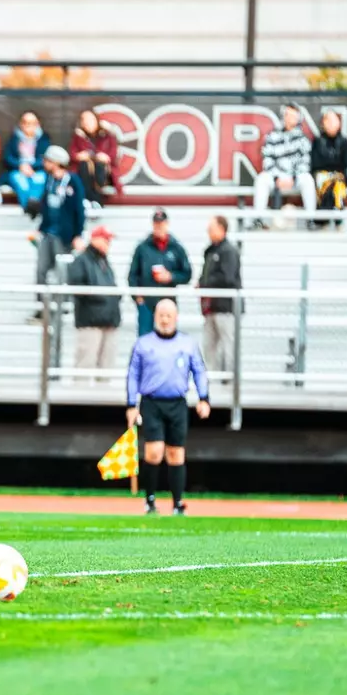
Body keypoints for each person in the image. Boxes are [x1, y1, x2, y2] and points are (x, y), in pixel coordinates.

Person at [125, 298, 210, 515]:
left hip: (177, 403)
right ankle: (150, 500)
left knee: (176, 453)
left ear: (176, 317)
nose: (165, 320)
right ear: (155, 317)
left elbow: (199, 370)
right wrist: (131, 404)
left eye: (169, 316)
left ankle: (177, 502)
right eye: (161, 315)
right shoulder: (143, 344)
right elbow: (133, 375)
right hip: (152, 402)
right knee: (154, 451)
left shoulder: (187, 343)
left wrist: (204, 398)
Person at [66, 223, 122, 371]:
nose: (108, 243)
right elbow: (77, 287)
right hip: (90, 321)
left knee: (106, 366)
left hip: (108, 320)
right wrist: (101, 298)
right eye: (105, 239)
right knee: (85, 363)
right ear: (95, 239)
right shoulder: (81, 260)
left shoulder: (103, 261)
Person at [128, 208, 192, 336]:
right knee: (145, 339)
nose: (159, 227)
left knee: (167, 339)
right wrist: (137, 297)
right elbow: (132, 275)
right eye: (156, 224)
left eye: (161, 223)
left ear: (167, 224)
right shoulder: (142, 247)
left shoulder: (176, 248)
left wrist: (171, 277)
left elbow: (187, 274)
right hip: (147, 302)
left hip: (168, 303)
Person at [29, 146, 84, 291]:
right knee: (41, 269)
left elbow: (79, 210)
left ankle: (62, 301)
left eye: (47, 160)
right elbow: (46, 208)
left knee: (62, 272)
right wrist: (40, 229)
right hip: (48, 233)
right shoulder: (49, 180)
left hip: (64, 235)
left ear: (56, 162)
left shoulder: (72, 181)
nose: (44, 163)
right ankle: (41, 302)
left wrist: (78, 234)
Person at [252, 103, 315, 222]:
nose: (290, 118)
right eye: (287, 115)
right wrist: (277, 178)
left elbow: (305, 162)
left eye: (293, 116)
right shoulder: (272, 136)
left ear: (298, 118)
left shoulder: (303, 139)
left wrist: (293, 178)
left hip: (296, 177)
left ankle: (310, 219)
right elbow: (267, 159)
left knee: (308, 180)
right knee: (261, 179)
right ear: (283, 116)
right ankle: (258, 220)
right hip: (276, 176)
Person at [199, 215, 242, 373]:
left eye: (212, 228)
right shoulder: (211, 251)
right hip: (211, 306)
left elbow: (227, 278)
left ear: (222, 229)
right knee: (208, 345)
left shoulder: (228, 251)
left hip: (226, 307)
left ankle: (230, 379)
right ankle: (209, 378)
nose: (208, 231)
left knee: (228, 345)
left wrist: (205, 283)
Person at [69, 108, 121, 201]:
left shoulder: (107, 135)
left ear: (96, 120)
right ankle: (94, 201)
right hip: (84, 172)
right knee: (84, 165)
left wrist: (106, 157)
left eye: (90, 119)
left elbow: (113, 153)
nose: (86, 122)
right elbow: (72, 153)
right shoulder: (78, 136)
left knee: (99, 166)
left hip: (103, 173)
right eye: (83, 119)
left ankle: (91, 200)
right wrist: (79, 156)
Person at [5, 110, 50, 213]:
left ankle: (32, 209)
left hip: (37, 170)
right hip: (18, 170)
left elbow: (45, 158)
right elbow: (8, 158)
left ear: (38, 124)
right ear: (21, 124)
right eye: (25, 122)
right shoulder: (14, 138)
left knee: (39, 181)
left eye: (32, 123)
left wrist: (30, 167)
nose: (28, 126)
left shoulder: (44, 139)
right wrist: (21, 166)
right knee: (22, 185)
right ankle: (30, 211)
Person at [310, 109, 347, 218]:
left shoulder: (344, 142)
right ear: (323, 123)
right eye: (328, 120)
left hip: (339, 176)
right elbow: (316, 164)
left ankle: (337, 212)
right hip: (322, 176)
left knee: (338, 183)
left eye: (334, 120)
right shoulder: (317, 141)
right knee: (325, 182)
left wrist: (333, 168)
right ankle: (324, 216)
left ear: (339, 123)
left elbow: (346, 162)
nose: (331, 124)